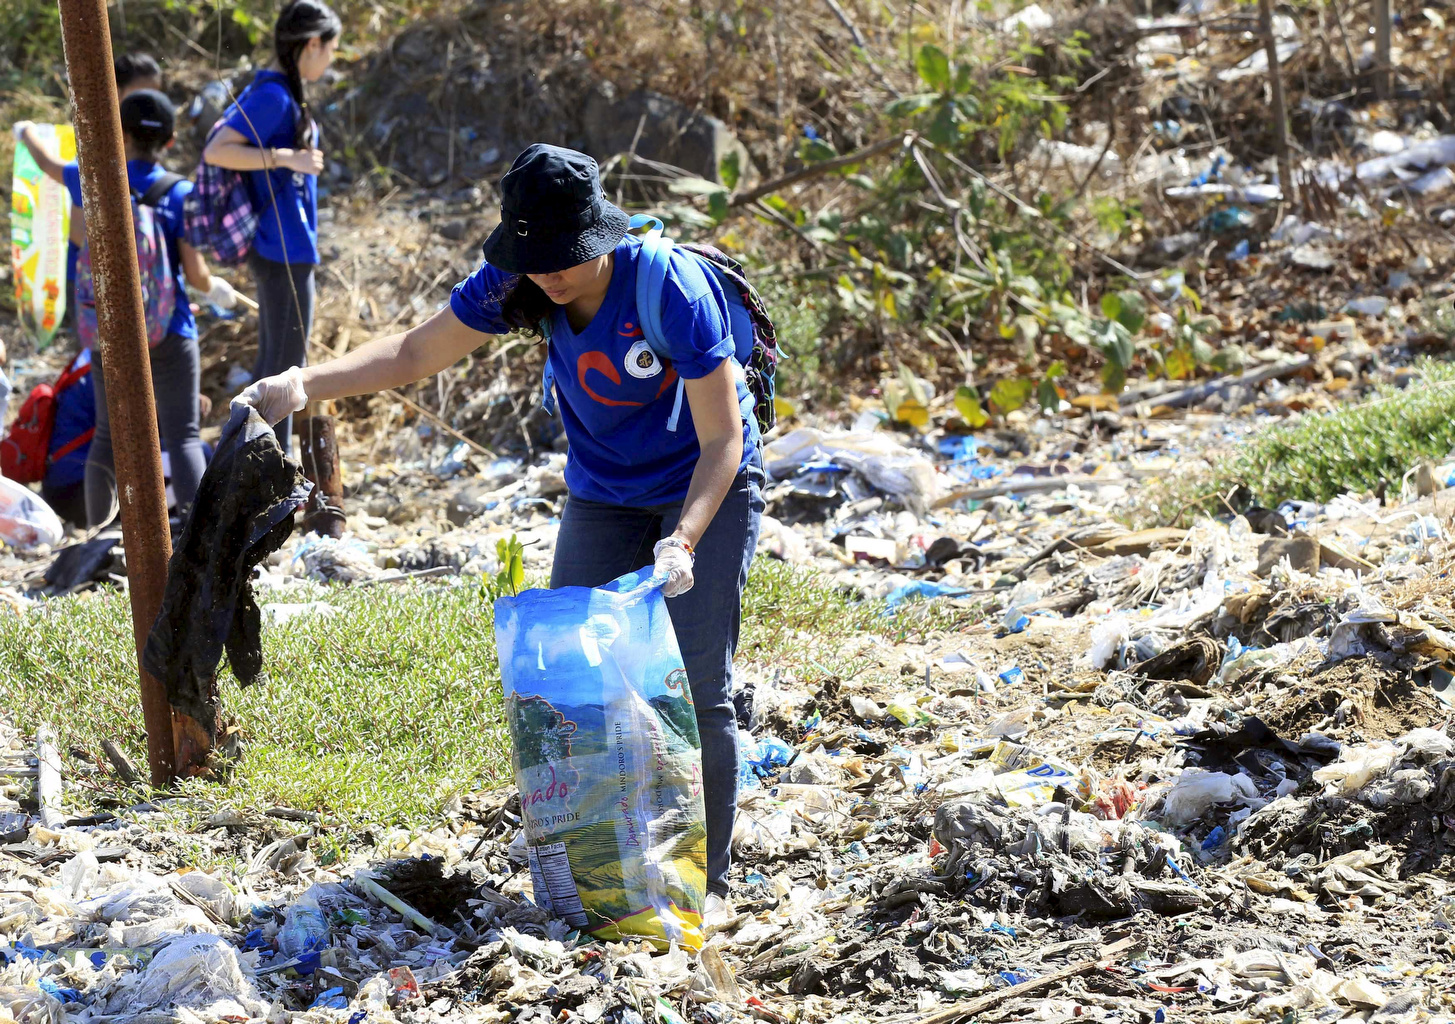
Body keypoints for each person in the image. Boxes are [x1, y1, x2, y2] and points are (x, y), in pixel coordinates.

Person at [235, 144, 763, 923]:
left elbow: (721, 441)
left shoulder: (667, 286)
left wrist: (681, 541)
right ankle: (606, 874)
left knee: (696, 686)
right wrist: (305, 383)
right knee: (573, 686)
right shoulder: (518, 281)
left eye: (564, 258)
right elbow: (416, 351)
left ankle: (700, 888)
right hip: (604, 493)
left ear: (602, 237)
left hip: (701, 488)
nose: (548, 273)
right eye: (534, 257)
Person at [78, 90, 236, 526]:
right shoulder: (179, 191)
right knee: (184, 433)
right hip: (170, 328)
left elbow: (79, 244)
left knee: (108, 437)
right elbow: (196, 274)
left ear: (121, 134)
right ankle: (195, 535)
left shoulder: (94, 181)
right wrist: (215, 289)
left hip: (110, 332)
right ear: (169, 141)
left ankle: (99, 536)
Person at [202, 0, 339, 449]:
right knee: (283, 372)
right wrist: (285, 157)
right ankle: (262, 470)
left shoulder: (282, 93)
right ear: (312, 43)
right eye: (331, 48)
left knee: (278, 365)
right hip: (280, 247)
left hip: (285, 245)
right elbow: (217, 149)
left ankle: (252, 465)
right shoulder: (273, 96)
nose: (332, 58)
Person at [13, 52, 164, 331]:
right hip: (87, 271)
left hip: (134, 272)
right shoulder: (96, 133)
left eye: (156, 94)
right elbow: (57, 169)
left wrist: (26, 133)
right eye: (141, 93)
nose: (149, 103)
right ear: (115, 90)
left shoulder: (141, 140)